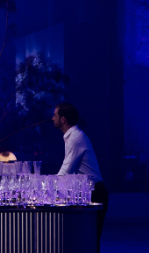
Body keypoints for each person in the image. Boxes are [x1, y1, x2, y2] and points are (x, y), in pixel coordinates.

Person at [53, 103, 109, 244]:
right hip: (88, 192)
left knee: (89, 241)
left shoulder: (75, 138)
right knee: (86, 241)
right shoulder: (73, 136)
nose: (52, 118)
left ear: (63, 119)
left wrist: (46, 188)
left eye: (55, 115)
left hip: (95, 192)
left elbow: (65, 172)